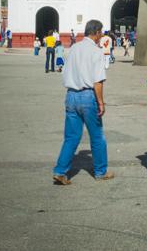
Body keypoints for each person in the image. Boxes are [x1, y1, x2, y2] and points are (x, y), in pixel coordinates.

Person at [52, 19, 112, 185]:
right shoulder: (96, 51)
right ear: (97, 32)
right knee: (97, 137)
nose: (102, 36)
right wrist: (101, 102)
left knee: (71, 137)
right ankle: (100, 171)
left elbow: (65, 70)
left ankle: (60, 171)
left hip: (71, 95)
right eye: (101, 32)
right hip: (88, 96)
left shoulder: (74, 48)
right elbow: (98, 81)